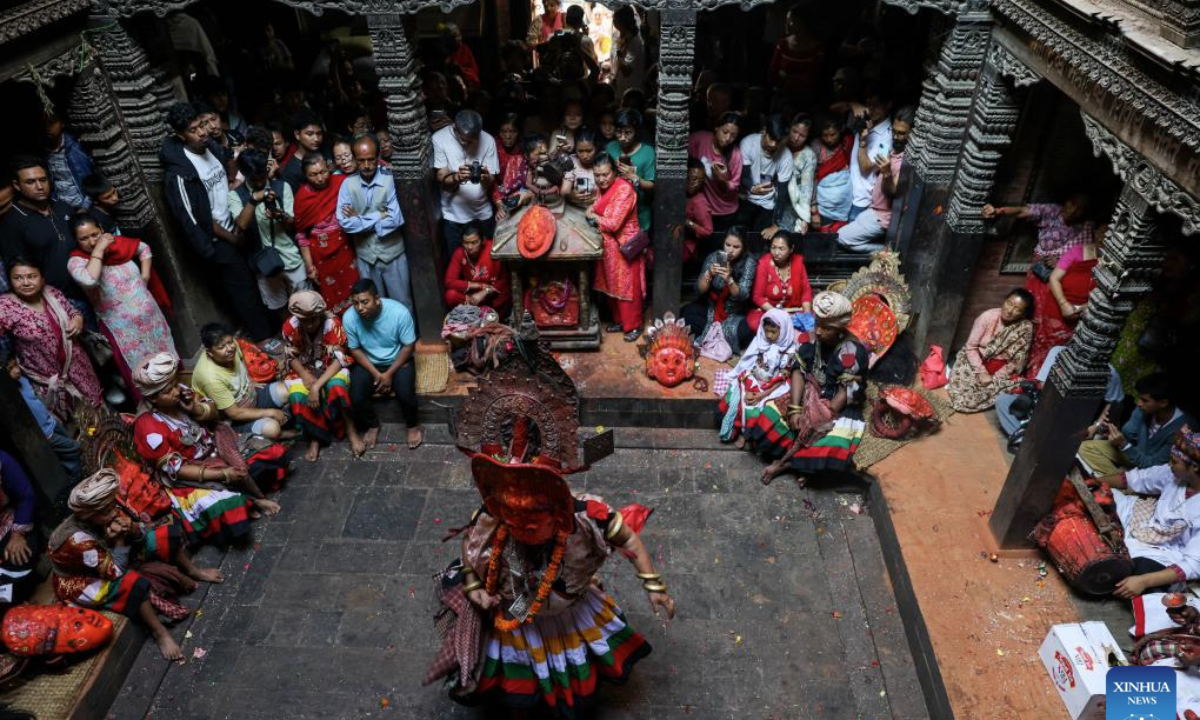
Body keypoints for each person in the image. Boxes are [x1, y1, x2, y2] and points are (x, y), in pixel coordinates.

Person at [434, 441, 670, 712]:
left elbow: (628, 541)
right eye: (512, 522)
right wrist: (474, 582)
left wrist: (654, 585)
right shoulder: (494, 514)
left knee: (572, 675)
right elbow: (471, 541)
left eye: (531, 525)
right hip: (517, 606)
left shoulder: (589, 518)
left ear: (557, 516)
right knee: (519, 674)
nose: (520, 531)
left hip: (568, 608)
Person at [48, 470, 221, 660]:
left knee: (166, 535)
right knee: (130, 582)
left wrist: (131, 529)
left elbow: (141, 533)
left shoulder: (109, 507)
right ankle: (160, 632)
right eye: (106, 512)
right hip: (83, 579)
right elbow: (114, 571)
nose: (113, 512)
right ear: (89, 515)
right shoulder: (76, 540)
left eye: (112, 506)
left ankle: (193, 570)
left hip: (110, 554)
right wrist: (121, 541)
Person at [160, 102, 275, 343]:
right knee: (243, 289)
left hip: (236, 222)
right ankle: (265, 340)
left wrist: (234, 180)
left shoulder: (209, 146)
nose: (202, 132)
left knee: (258, 278)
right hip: (219, 238)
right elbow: (194, 218)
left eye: (202, 125)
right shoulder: (181, 172)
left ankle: (267, 327)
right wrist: (230, 238)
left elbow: (227, 160)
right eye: (193, 130)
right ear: (181, 135)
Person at [134, 353, 285, 522]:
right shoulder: (148, 426)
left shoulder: (181, 393)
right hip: (194, 470)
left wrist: (195, 409)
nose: (176, 391)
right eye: (168, 391)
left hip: (217, 447)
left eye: (175, 385)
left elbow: (213, 410)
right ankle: (251, 500)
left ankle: (247, 492)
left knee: (274, 453)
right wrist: (223, 474)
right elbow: (180, 470)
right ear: (153, 397)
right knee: (229, 506)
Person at [761, 291, 871, 485]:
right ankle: (801, 468)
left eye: (826, 328)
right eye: (817, 323)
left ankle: (785, 464)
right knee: (774, 416)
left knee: (827, 440)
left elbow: (847, 391)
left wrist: (818, 416)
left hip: (836, 405)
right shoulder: (813, 338)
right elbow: (798, 370)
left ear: (839, 329)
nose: (818, 331)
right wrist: (795, 408)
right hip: (811, 392)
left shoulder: (852, 352)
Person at [66, 216, 175, 402]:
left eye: (95, 234)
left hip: (151, 318)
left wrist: (145, 277)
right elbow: (90, 280)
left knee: (167, 359)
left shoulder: (118, 246)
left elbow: (144, 248)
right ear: (76, 241)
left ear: (102, 229)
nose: (92, 241)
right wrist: (99, 249)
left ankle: (175, 394)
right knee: (142, 371)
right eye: (84, 238)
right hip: (123, 330)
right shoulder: (76, 262)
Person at [1102, 428, 1200, 599]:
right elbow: (1134, 479)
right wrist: (1093, 482)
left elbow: (1193, 564)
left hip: (1166, 552)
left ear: (1195, 467)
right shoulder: (1174, 474)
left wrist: (1144, 581)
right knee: (1100, 498)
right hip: (1142, 518)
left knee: (1133, 571)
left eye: (1174, 462)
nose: (1170, 465)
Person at [0, 259, 103, 419]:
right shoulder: (6, 306)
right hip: (46, 382)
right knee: (72, 426)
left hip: (79, 368)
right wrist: (8, 364)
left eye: (31, 276)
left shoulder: (52, 293)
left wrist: (77, 318)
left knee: (99, 416)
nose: (25, 282)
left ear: (42, 278)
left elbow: (72, 310)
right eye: (18, 278)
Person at [281, 291, 362, 461]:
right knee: (297, 395)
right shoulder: (290, 326)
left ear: (320, 314)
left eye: (313, 319)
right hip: (304, 368)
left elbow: (339, 359)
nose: (310, 324)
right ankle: (315, 436)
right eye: (305, 320)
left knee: (337, 387)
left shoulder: (332, 324)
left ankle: (351, 429)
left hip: (330, 366)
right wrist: (304, 375)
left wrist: (317, 386)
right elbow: (291, 356)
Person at [343, 279, 424, 449]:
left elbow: (408, 346)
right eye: (355, 303)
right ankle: (373, 424)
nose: (360, 308)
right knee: (356, 396)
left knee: (406, 394)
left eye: (365, 302)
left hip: (398, 360)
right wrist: (376, 374)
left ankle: (412, 425)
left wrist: (389, 374)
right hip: (370, 362)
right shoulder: (349, 317)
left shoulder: (399, 312)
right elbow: (355, 349)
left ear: (377, 299)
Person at [337, 135, 412, 313]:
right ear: (355, 159)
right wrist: (379, 215)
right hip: (366, 257)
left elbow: (395, 219)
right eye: (361, 160)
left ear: (377, 157)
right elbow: (345, 223)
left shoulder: (391, 179)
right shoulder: (347, 185)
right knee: (373, 307)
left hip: (393, 254)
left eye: (371, 159)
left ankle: (408, 339)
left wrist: (360, 219)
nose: (366, 165)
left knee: (402, 304)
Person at [230, 148, 310, 314]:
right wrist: (254, 200)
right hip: (263, 263)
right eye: (254, 179)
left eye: (262, 177)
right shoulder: (236, 196)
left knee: (305, 304)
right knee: (280, 308)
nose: (260, 183)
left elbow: (293, 223)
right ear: (244, 174)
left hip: (291, 257)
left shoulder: (281, 187)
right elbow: (242, 225)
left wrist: (280, 215)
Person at [0, 157, 87, 307]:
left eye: (43, 180)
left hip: (88, 286)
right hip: (59, 301)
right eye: (30, 182)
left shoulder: (62, 207)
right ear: (17, 185)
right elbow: (17, 270)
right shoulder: (12, 223)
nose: (39, 186)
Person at [1026, 223, 1105, 377]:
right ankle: (1033, 379)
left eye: (1110, 233)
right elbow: (1054, 278)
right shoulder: (1077, 251)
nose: (1105, 236)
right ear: (1096, 232)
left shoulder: (1111, 264)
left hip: (1084, 311)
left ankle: (1048, 383)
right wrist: (1063, 304)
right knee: (1044, 344)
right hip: (1058, 304)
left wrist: (1085, 306)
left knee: (1064, 350)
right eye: (1103, 230)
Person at [1078, 373, 1194, 477]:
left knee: (1147, 476)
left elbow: (1152, 465)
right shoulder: (1144, 410)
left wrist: (1124, 445)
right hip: (1134, 454)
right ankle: (1121, 478)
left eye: (1144, 400)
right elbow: (1129, 434)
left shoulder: (1182, 429)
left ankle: (1124, 482)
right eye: (1139, 398)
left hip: (1151, 468)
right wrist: (1109, 433)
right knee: (1085, 447)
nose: (1138, 403)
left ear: (1163, 403)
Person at [191, 322, 292, 441]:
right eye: (221, 347)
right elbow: (234, 413)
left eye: (229, 342)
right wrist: (271, 412)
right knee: (272, 429)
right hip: (234, 419)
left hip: (250, 398)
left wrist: (250, 381)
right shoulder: (210, 378)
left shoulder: (233, 346)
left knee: (288, 390)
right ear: (210, 353)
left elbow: (241, 360)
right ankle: (284, 434)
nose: (229, 348)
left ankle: (276, 420)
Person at [3, 345, 83, 488]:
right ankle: (78, 483)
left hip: (52, 424)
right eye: (10, 369)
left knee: (70, 459)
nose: (16, 370)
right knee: (75, 449)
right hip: (45, 435)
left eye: (15, 365)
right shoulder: (9, 397)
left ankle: (78, 482)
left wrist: (51, 390)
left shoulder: (24, 381)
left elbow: (42, 406)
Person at [717, 309, 797, 450]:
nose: (769, 335)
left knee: (759, 409)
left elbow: (781, 379)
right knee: (737, 398)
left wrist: (761, 395)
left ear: (784, 330)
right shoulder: (760, 340)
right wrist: (750, 387)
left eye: (773, 332)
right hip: (754, 377)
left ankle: (747, 435)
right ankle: (736, 430)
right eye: (766, 331)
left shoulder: (788, 351)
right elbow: (747, 364)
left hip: (774, 385)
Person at [836, 105, 912, 252]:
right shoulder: (895, 148)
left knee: (842, 237)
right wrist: (863, 140)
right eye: (894, 132)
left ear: (913, 133)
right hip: (874, 209)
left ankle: (885, 252)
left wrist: (887, 173)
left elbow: (893, 193)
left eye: (902, 133)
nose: (896, 137)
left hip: (884, 216)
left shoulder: (908, 160)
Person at [946, 289, 1035, 413]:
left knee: (974, 399)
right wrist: (981, 371)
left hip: (1000, 369)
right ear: (1004, 301)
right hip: (975, 360)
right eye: (1009, 303)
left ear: (1023, 314)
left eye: (1017, 309)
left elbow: (1016, 362)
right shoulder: (988, 317)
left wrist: (995, 377)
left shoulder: (1025, 328)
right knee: (959, 392)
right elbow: (971, 346)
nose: (1009, 311)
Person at [588, 154, 645, 342]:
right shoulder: (603, 188)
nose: (601, 179)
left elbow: (612, 223)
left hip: (625, 245)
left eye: (605, 174)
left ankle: (634, 326)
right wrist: (592, 212)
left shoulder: (624, 189)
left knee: (629, 288)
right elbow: (595, 206)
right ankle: (620, 321)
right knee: (613, 285)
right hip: (609, 246)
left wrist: (593, 216)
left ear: (614, 172)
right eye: (597, 175)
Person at [294, 154, 360, 314]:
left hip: (345, 249)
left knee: (356, 289)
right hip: (321, 257)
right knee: (332, 296)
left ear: (329, 168)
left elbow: (358, 206)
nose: (320, 178)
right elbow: (301, 235)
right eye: (313, 174)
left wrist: (354, 214)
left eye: (323, 172)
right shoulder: (302, 198)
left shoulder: (340, 183)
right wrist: (309, 266)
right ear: (305, 175)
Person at [433, 110, 499, 253]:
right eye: (465, 140)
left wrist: (486, 178)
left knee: (489, 258)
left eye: (473, 140)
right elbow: (441, 177)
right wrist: (457, 177)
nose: (469, 144)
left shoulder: (488, 140)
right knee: (458, 261)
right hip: (453, 216)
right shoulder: (439, 138)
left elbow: (491, 182)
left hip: (483, 213)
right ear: (455, 128)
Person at [681, 226, 756, 352]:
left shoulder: (749, 263)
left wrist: (729, 280)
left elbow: (742, 295)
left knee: (745, 331)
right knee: (687, 313)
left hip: (732, 314)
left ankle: (714, 335)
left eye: (736, 247)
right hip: (711, 309)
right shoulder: (714, 257)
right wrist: (709, 274)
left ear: (743, 248)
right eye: (728, 245)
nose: (730, 250)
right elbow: (699, 290)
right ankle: (715, 335)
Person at [737, 114, 794, 238]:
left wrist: (776, 224)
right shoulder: (748, 143)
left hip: (767, 203)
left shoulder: (786, 156)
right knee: (739, 236)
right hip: (746, 197)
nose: (773, 144)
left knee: (759, 240)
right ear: (764, 131)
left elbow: (783, 192)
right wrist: (752, 188)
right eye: (771, 138)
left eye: (778, 141)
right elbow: (743, 174)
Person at [688, 112, 742, 237]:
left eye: (733, 135)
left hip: (725, 211)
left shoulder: (735, 155)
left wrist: (721, 180)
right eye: (725, 132)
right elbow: (683, 162)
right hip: (702, 208)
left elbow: (734, 187)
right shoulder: (699, 139)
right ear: (717, 127)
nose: (728, 138)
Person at [748, 230, 812, 332]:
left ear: (791, 249)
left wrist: (807, 314)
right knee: (755, 324)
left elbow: (806, 290)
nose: (776, 253)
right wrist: (779, 315)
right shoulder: (764, 264)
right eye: (773, 248)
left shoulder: (798, 263)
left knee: (813, 324)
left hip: (793, 310)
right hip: (770, 311)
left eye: (781, 249)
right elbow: (757, 297)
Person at [442, 223, 511, 317]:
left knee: (506, 293)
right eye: (466, 243)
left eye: (474, 242)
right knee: (450, 295)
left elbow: (505, 279)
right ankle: (475, 315)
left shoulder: (493, 249)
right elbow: (449, 281)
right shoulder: (459, 253)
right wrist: (479, 285)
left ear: (483, 240)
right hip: (472, 297)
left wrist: (486, 291)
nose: (469, 247)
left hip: (492, 294)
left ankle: (494, 317)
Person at [847, 89, 894, 223]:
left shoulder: (888, 137)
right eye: (868, 104)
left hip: (860, 200)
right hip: (847, 192)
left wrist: (863, 142)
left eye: (876, 105)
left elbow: (866, 167)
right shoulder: (866, 121)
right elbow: (834, 108)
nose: (870, 109)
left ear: (888, 105)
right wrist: (852, 104)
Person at [606, 109, 656, 233]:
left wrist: (635, 178)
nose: (623, 138)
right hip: (613, 211)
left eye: (628, 133)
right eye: (619, 132)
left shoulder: (648, 152)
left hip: (639, 213)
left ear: (636, 132)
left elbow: (652, 186)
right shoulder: (610, 148)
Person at [0, 449, 39, 604]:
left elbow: (26, 495)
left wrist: (17, 535)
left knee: (19, 557)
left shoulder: (1, 460)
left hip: (10, 526)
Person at [769, 5, 825, 107]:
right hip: (781, 97)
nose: (786, 24)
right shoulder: (783, 44)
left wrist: (786, 76)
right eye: (787, 20)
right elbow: (773, 71)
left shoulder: (816, 49)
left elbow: (811, 79)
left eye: (791, 21)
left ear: (802, 23)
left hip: (805, 101)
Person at [43, 112, 96, 210]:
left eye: (51, 123)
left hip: (84, 206)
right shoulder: (44, 153)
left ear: (62, 123)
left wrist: (85, 208)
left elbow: (91, 178)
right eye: (44, 123)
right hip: (61, 207)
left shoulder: (77, 148)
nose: (47, 128)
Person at [811, 115, 854, 231]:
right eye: (825, 135)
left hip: (844, 202)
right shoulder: (816, 146)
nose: (829, 139)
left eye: (833, 134)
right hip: (823, 203)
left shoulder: (847, 143)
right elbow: (812, 177)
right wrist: (813, 208)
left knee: (841, 234)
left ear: (840, 131)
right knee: (825, 236)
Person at [779, 114, 817, 234]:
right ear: (789, 128)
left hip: (792, 202)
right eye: (794, 131)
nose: (796, 138)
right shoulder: (778, 144)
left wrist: (804, 218)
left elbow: (806, 188)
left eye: (802, 135)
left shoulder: (808, 156)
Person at [281, 110, 327, 191]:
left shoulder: (326, 154)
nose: (316, 139)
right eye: (310, 134)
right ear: (297, 135)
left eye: (319, 134)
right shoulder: (291, 171)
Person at [608, 5, 646, 100]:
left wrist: (620, 54)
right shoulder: (616, 36)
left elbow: (627, 70)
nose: (613, 20)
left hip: (631, 93)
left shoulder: (634, 42)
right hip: (618, 89)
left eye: (615, 17)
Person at [563, 127, 601, 210]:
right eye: (580, 151)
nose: (585, 156)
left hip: (598, 208)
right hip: (574, 209)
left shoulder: (602, 162)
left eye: (589, 151)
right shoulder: (572, 162)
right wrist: (572, 195)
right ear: (575, 149)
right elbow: (565, 190)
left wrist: (596, 199)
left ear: (596, 148)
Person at [684, 157, 714, 260]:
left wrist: (688, 223)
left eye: (700, 180)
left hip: (686, 248)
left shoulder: (699, 202)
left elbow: (708, 231)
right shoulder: (679, 193)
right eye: (693, 178)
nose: (696, 184)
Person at [444, 23, 480, 91]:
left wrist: (461, 70)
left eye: (458, 35)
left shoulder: (465, 50)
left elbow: (474, 70)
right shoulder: (443, 52)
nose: (457, 39)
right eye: (453, 36)